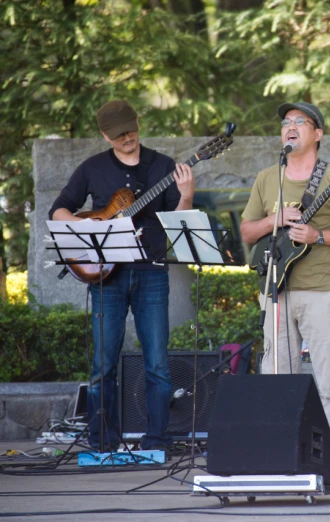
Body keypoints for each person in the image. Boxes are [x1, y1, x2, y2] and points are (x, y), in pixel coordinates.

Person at [49, 100, 195, 453]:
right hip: (105, 276)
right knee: (102, 366)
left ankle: (155, 442)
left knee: (157, 364)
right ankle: (103, 443)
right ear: (104, 135)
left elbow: (180, 223)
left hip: (151, 273)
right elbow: (58, 210)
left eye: (130, 131)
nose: (127, 138)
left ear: (138, 124)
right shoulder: (93, 168)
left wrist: (186, 194)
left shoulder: (161, 166)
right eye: (118, 135)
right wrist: (89, 223)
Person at [240, 101, 330, 485]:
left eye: (300, 122)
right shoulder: (267, 178)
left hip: (322, 291)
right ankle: (280, 450)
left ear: (318, 134)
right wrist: (271, 220)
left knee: (329, 378)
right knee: (277, 376)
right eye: (285, 122)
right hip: (275, 290)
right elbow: (246, 232)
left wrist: (318, 236)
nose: (290, 127)